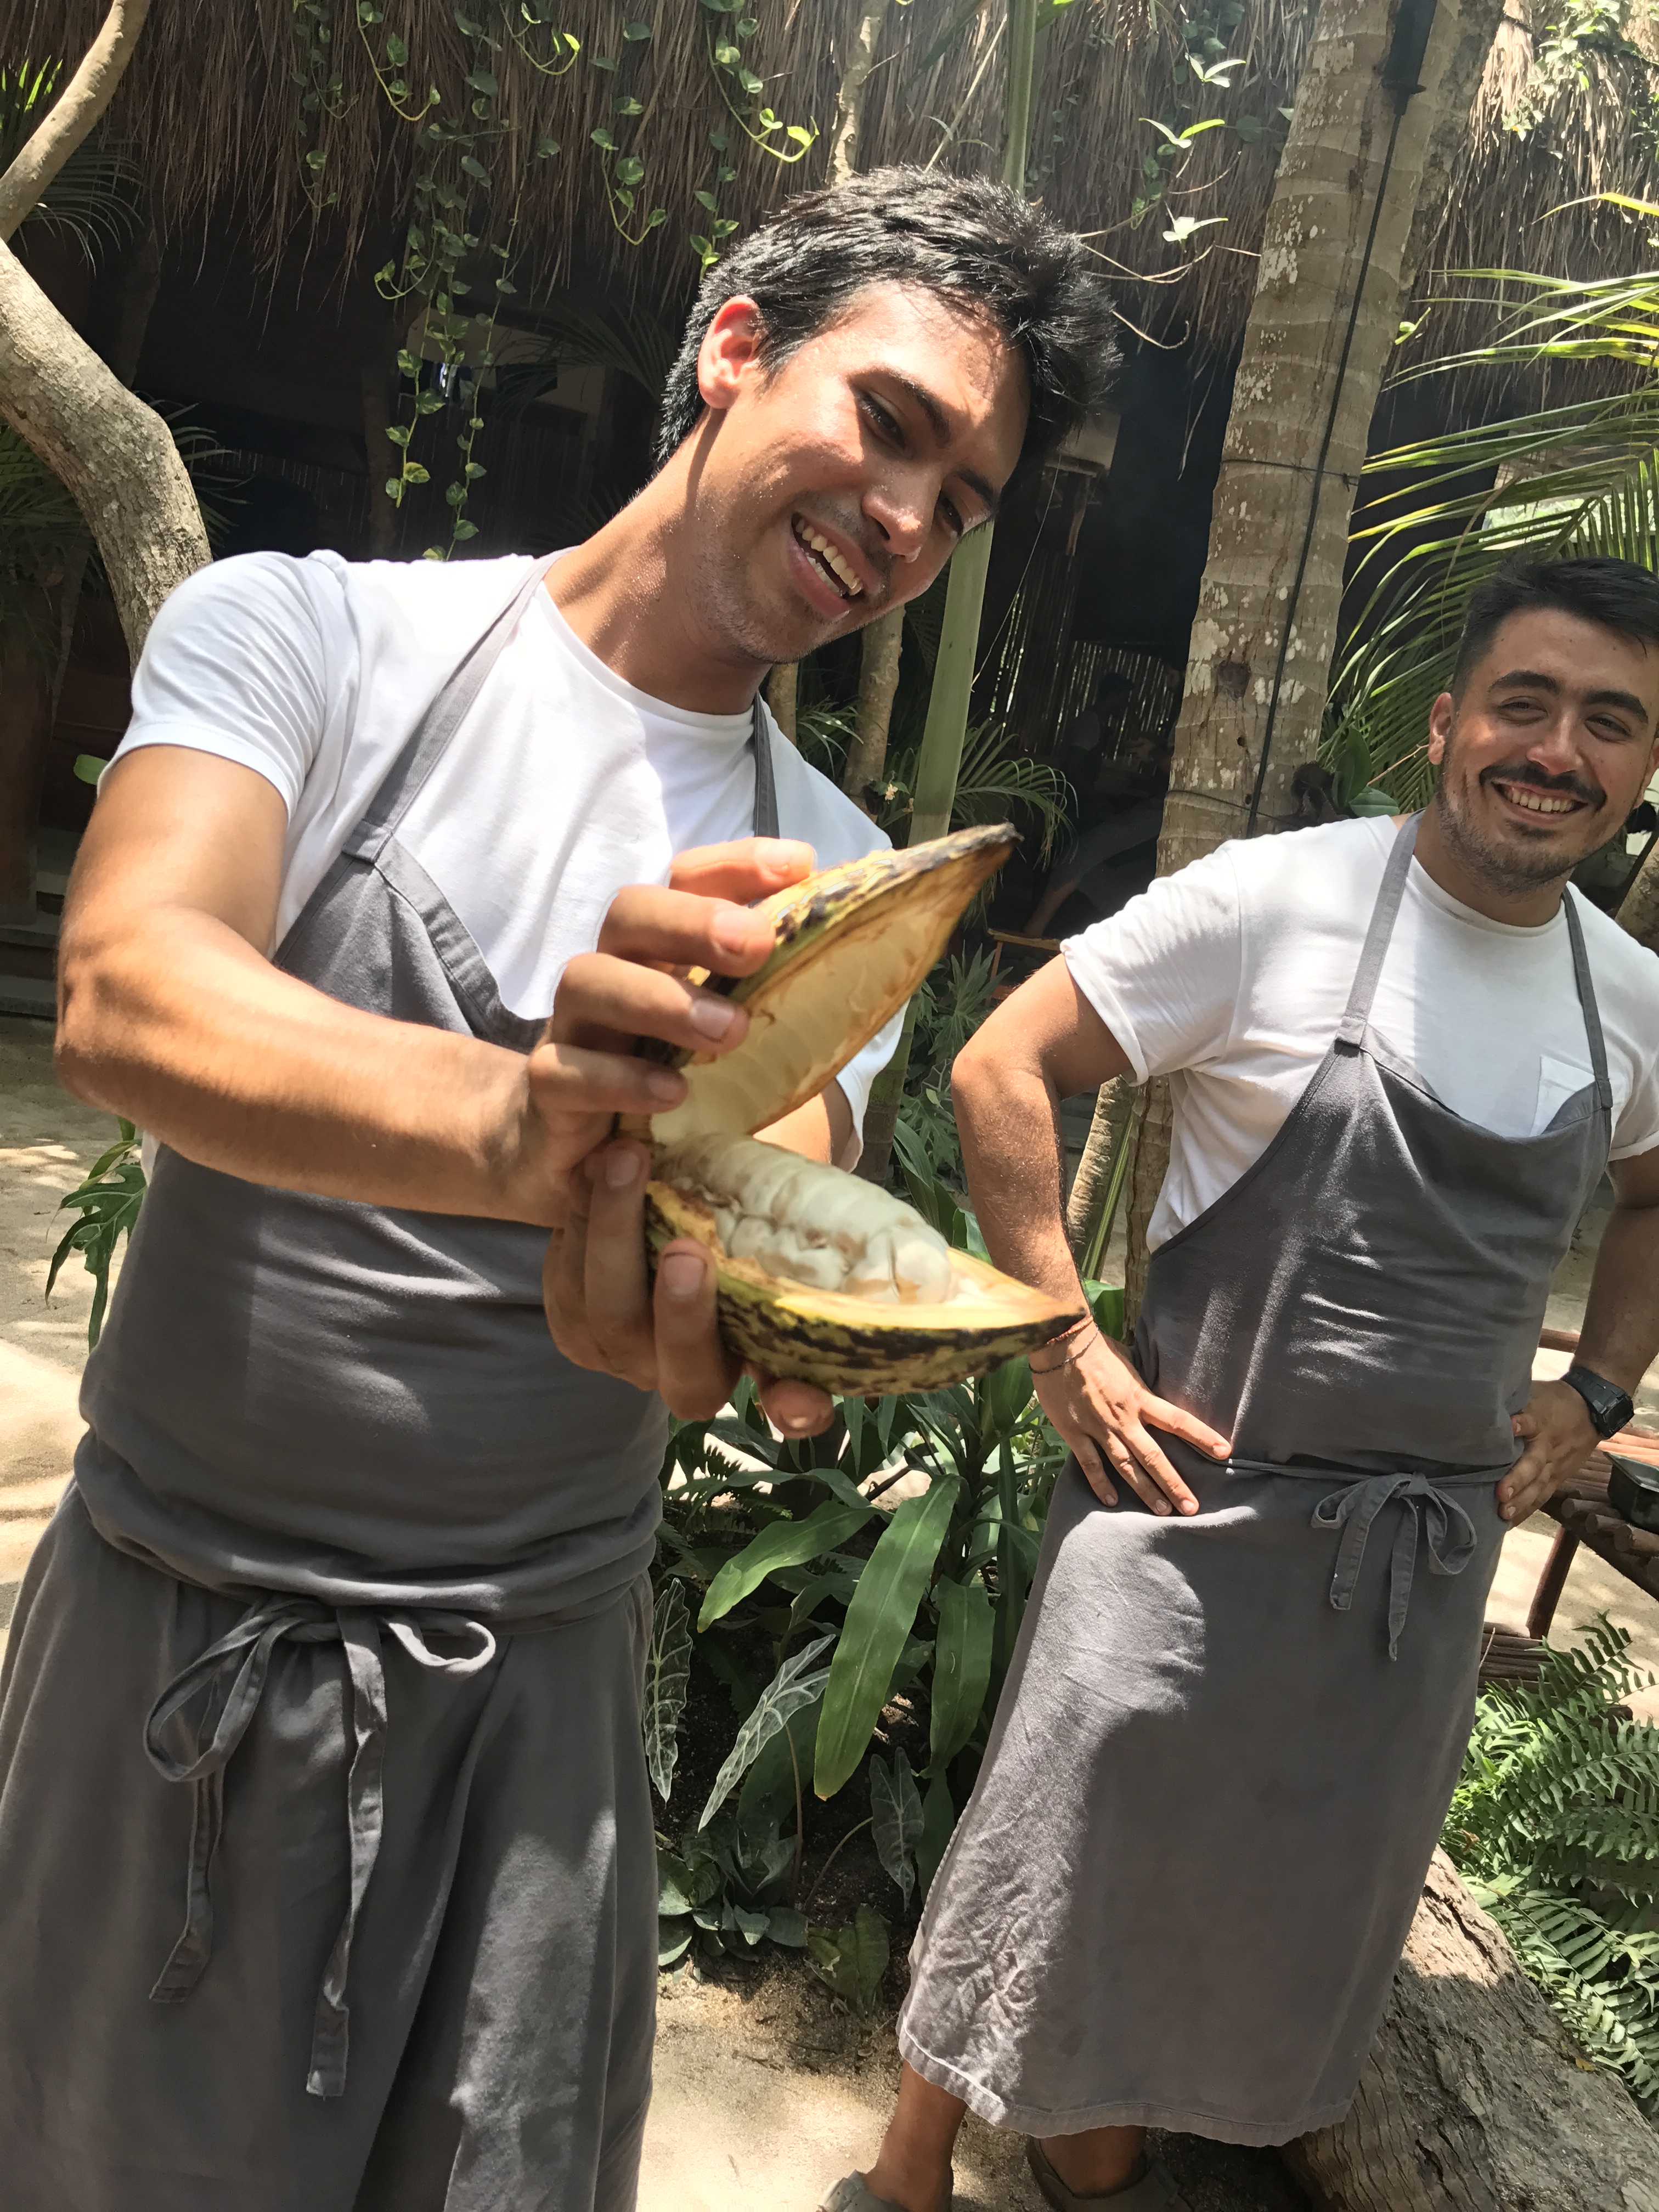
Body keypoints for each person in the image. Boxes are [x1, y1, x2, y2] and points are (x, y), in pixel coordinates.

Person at [0, 169, 1113, 2212]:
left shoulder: (837, 878)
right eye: (889, 425)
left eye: (962, 504)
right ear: (736, 349)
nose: (907, 520)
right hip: (176, 1659)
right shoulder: (316, 637)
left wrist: (726, 1294)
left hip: (537, 1716)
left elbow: (789, 1166)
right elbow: (128, 985)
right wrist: (524, 1129)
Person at [831, 555, 1659, 2212]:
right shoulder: (1280, 902)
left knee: (1267, 1898)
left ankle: (1091, 2159)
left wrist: (1601, 1391)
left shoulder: (1629, 999)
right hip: (1186, 1512)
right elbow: (1005, 1061)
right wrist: (1061, 1339)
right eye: (1526, 704)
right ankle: (909, 2173)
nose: (1558, 750)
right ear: (1448, 723)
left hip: (1414, 1571)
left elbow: (1652, 1198)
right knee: (1057, 1843)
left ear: (1644, 767)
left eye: (1610, 722)